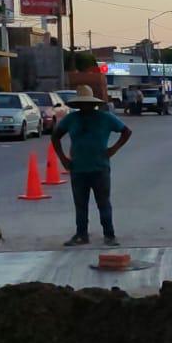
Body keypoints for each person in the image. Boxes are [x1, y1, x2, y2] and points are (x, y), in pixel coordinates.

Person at [52, 85, 133, 247]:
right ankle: (81, 234)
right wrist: (62, 158)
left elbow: (126, 131)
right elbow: (55, 136)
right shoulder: (72, 119)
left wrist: (114, 149)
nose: (84, 107)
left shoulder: (105, 118)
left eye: (87, 104)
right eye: (82, 104)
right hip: (78, 168)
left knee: (103, 202)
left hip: (100, 167)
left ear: (92, 104)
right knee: (80, 204)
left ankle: (109, 234)